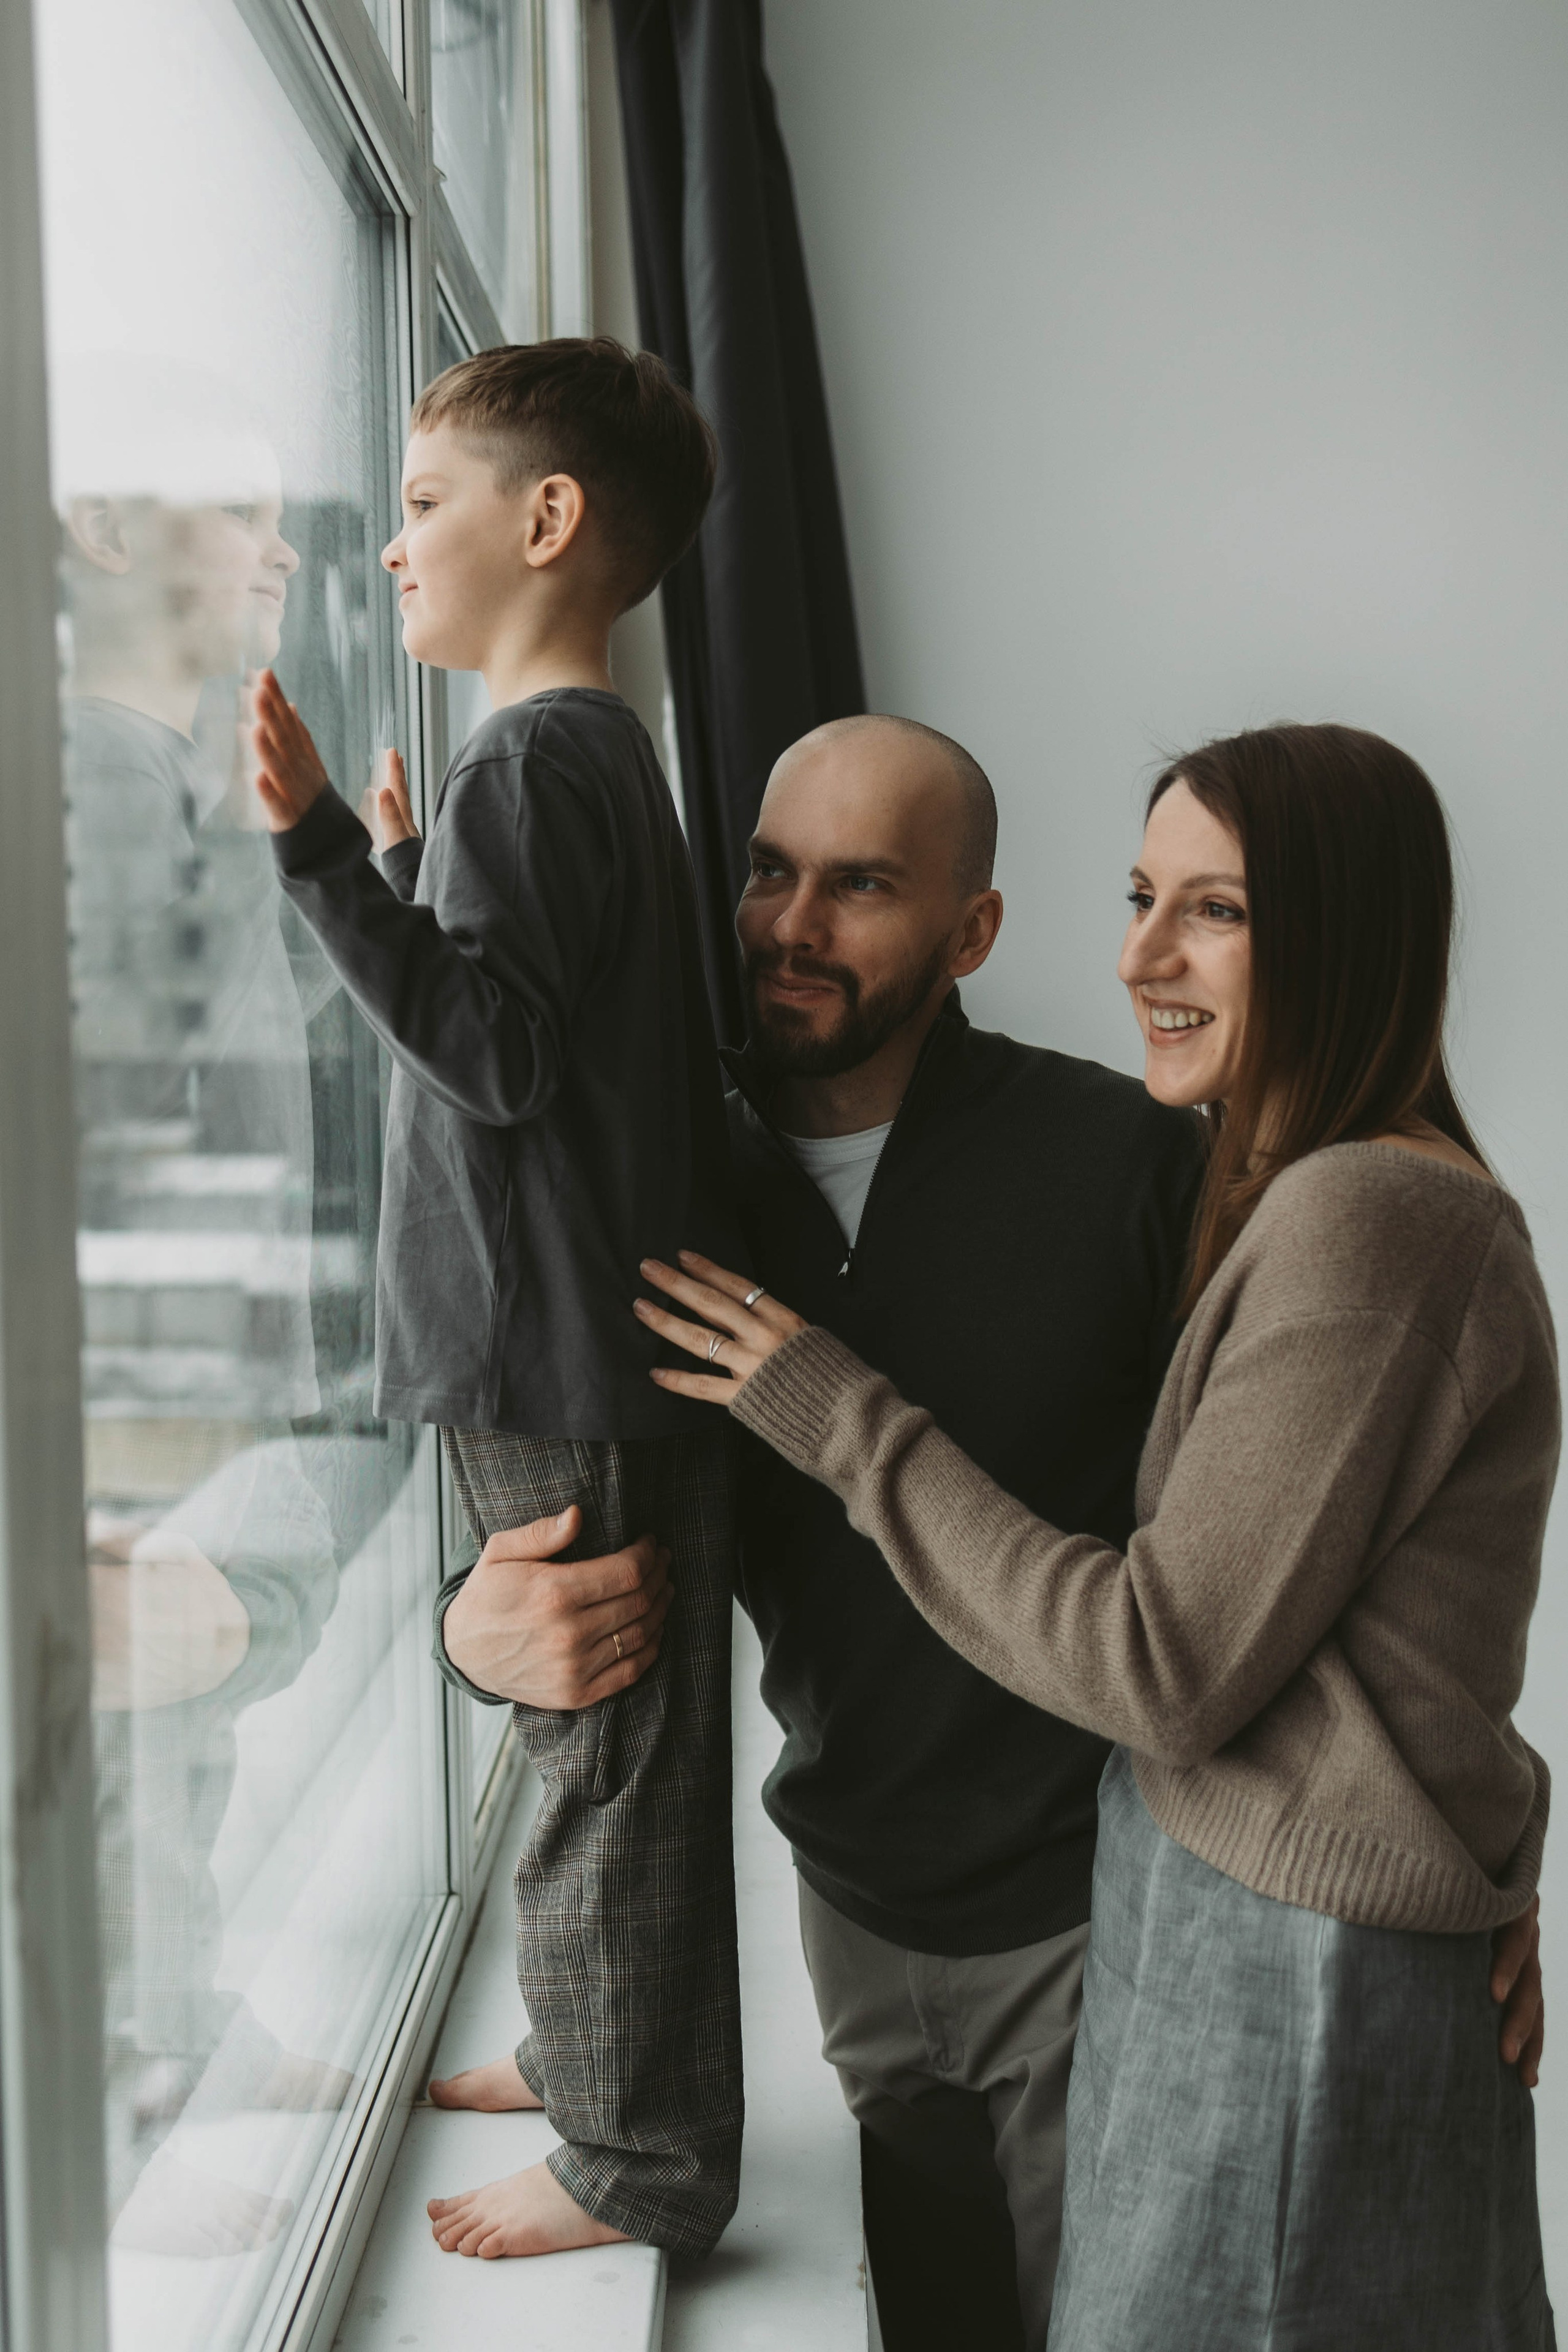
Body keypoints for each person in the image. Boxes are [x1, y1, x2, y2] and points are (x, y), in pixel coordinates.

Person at [442, 712, 1547, 2348]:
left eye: (860, 884)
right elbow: (581, 1517)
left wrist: (1466, 1851)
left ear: (971, 932)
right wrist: (470, 1635)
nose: (791, 925)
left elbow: (1278, 1589)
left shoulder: (1152, 1165)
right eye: (766, 872)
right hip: (852, 1899)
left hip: (1114, 1907)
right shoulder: (669, 1189)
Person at [248, 337, 745, 2263]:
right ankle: (588, 2050)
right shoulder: (586, 754)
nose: (389, 548)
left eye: (421, 502)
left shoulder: (531, 760)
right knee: (595, 1746)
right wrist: (403, 866)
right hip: (586, 1343)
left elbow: (501, 1055)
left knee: (600, 1755)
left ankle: (640, 2157)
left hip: (564, 1356)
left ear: (547, 519)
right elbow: (539, 1022)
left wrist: (322, 859)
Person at [56, 356, 364, 2256]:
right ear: (99, 526)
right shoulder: (82, 782)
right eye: (234, 510)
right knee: (130, 1717)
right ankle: (111, 2114)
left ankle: (181, 2031)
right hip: (127, 1375)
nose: (281, 549)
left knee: (188, 1726)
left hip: (222, 1352)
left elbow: (253, 1047)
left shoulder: (182, 781)